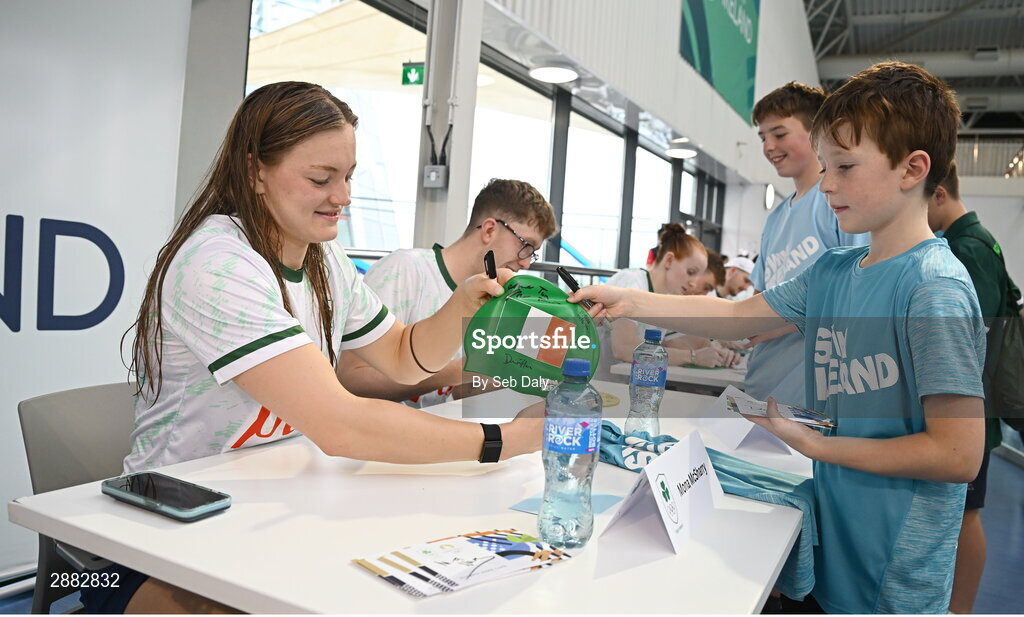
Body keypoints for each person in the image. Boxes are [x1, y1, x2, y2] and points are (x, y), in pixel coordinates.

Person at [95, 82, 560, 614]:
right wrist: (511, 438)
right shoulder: (219, 264)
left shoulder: (323, 259)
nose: (343, 197)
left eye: (348, 177)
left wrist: (459, 310)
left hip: (270, 505)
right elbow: (343, 424)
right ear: (255, 173)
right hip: (160, 532)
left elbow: (403, 356)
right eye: (321, 179)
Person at [571, 62, 986, 614]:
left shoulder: (934, 287)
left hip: (891, 572)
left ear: (913, 169)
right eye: (827, 164)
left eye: (844, 166)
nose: (828, 183)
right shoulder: (835, 270)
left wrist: (818, 446)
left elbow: (958, 454)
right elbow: (741, 315)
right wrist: (630, 300)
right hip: (833, 539)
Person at [337, 178, 557, 407]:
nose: (527, 263)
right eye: (527, 246)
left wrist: (514, 368)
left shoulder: (494, 299)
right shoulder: (405, 269)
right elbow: (351, 378)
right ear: (490, 229)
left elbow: (456, 394)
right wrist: (457, 370)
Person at [927, 159, 1022, 613]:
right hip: (972, 407)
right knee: (961, 515)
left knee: (965, 516)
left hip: (971, 411)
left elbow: (969, 332)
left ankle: (960, 608)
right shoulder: (979, 244)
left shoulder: (969, 248)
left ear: (939, 194)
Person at [746, 82, 869, 408]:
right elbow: (758, 299)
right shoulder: (775, 219)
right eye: (762, 137)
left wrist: (781, 322)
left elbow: (861, 298)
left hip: (814, 396)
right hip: (763, 386)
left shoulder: (838, 204)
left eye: (779, 134)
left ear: (816, 132)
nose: (769, 146)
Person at [596, 223, 738, 379]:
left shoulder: (664, 298)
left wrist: (716, 353)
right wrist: (692, 357)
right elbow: (624, 348)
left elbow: (677, 342)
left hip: (625, 384)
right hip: (597, 381)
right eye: (690, 272)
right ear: (669, 260)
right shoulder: (632, 282)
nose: (693, 283)